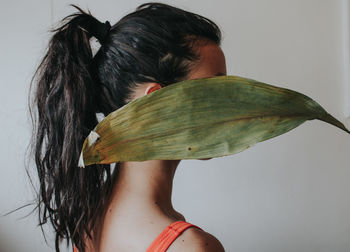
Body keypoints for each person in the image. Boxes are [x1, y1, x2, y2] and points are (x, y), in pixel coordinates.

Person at [28, 2, 226, 251]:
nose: (230, 103)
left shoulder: (87, 219)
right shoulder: (190, 247)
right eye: (217, 91)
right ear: (157, 103)